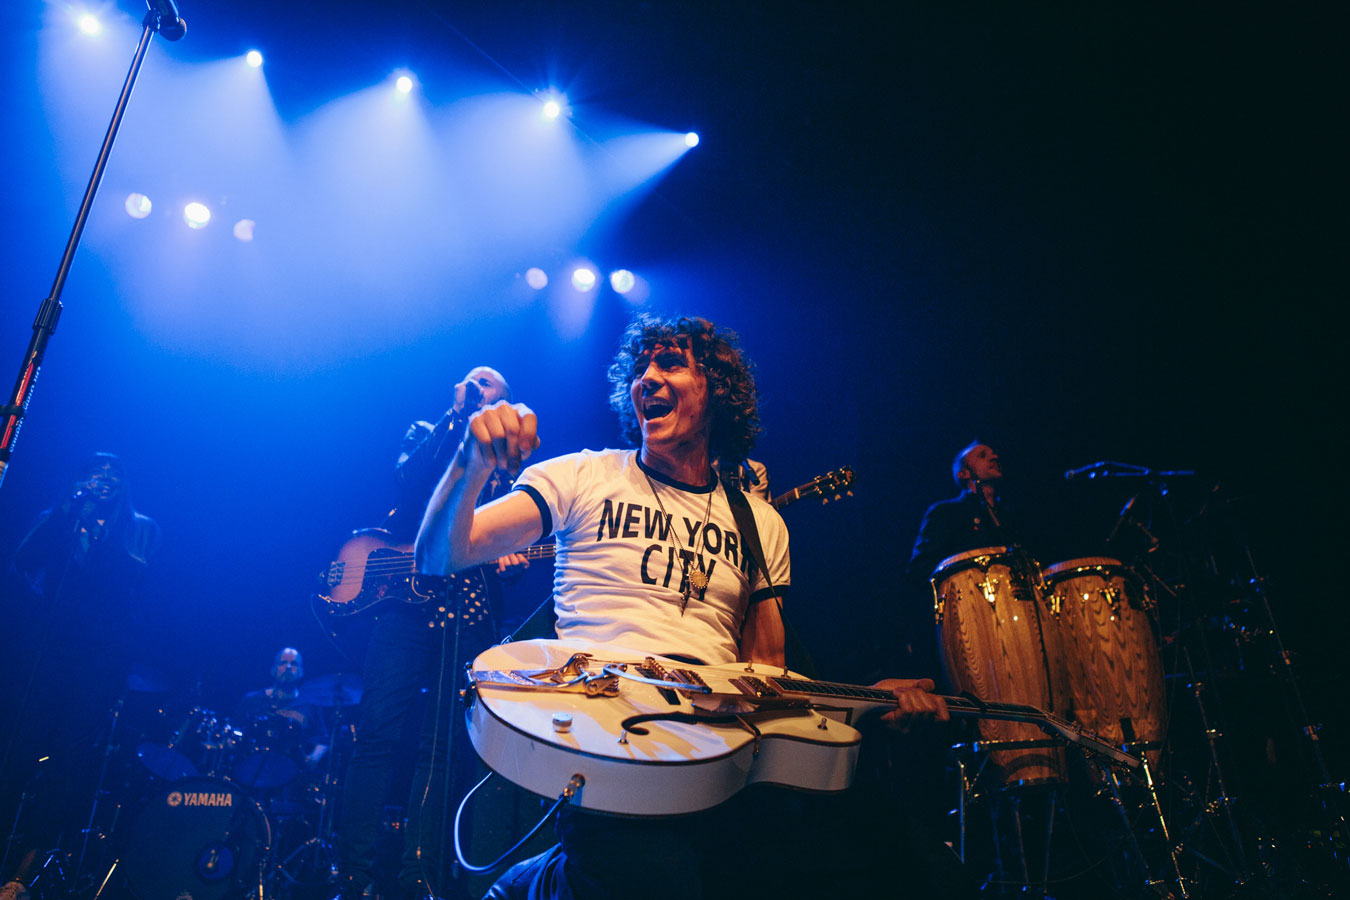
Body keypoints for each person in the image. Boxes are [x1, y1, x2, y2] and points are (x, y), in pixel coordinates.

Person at [417, 315, 953, 899]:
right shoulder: (583, 476)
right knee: (652, 877)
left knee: (912, 865)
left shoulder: (760, 522)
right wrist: (472, 460)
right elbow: (442, 554)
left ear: (718, 391)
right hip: (605, 735)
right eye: (641, 367)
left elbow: (767, 676)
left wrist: (869, 704)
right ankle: (544, 882)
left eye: (670, 363)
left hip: (714, 751)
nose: (648, 377)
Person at [336, 366, 522, 900]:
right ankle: (355, 877)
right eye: (474, 381)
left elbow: (515, 528)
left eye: (492, 386)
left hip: (468, 603)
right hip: (405, 603)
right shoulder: (428, 431)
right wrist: (454, 419)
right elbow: (409, 483)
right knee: (376, 734)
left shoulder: (510, 459)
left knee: (440, 745)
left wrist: (510, 558)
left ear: (507, 402)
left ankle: (420, 877)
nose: (480, 387)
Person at [2, 453, 160, 884]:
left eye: (113, 473)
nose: (103, 478)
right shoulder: (63, 518)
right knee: (16, 754)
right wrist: (66, 513)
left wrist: (98, 531)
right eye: (94, 472)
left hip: (97, 665)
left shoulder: (139, 528)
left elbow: (134, 580)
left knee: (66, 767)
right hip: (46, 656)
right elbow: (22, 561)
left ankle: (27, 874)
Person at [907, 440, 1017, 581]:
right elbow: (920, 568)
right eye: (983, 456)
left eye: (994, 454)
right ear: (963, 473)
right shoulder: (945, 512)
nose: (994, 457)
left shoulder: (1009, 515)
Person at [233, 647, 329, 771]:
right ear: (273, 669)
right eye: (283, 663)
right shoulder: (252, 700)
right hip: (250, 768)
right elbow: (234, 730)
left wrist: (312, 759)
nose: (288, 667)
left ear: (301, 671)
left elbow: (323, 739)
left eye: (293, 664)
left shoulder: (310, 706)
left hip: (292, 773)